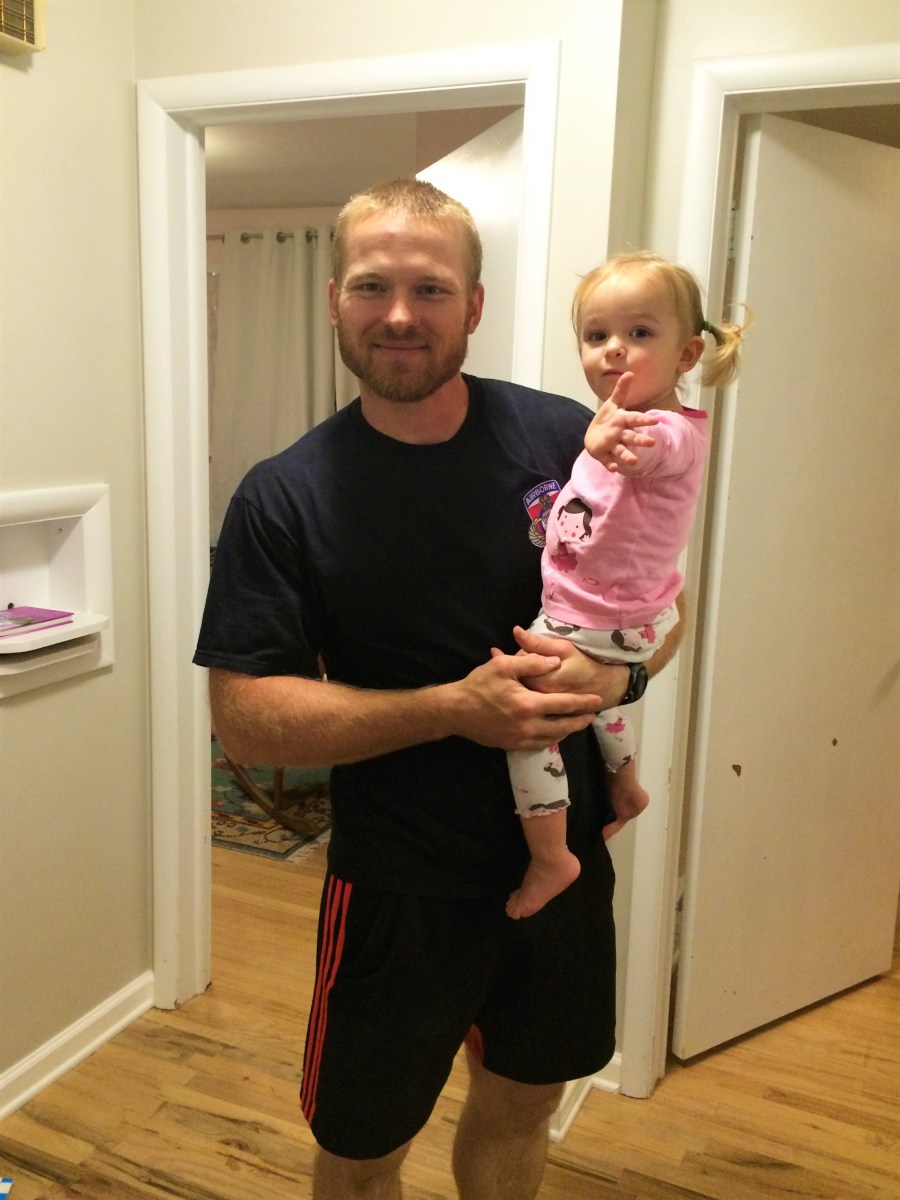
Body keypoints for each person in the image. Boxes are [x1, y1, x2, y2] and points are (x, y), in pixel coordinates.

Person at [194, 181, 681, 1200]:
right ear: (335, 299)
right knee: (363, 1149)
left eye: (431, 288)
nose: (400, 314)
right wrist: (453, 708)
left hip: (564, 867)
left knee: (522, 1106)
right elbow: (245, 720)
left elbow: (665, 603)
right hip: (397, 886)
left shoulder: (569, 436)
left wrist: (619, 671)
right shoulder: (284, 495)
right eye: (372, 285)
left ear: (475, 306)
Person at [505, 252, 746, 920]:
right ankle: (628, 787)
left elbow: (650, 453)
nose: (614, 348)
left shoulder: (667, 429)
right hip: (610, 611)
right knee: (596, 702)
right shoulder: (625, 420)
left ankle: (551, 855)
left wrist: (606, 440)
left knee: (528, 722)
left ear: (687, 354)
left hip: (596, 615)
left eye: (640, 333)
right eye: (596, 334)